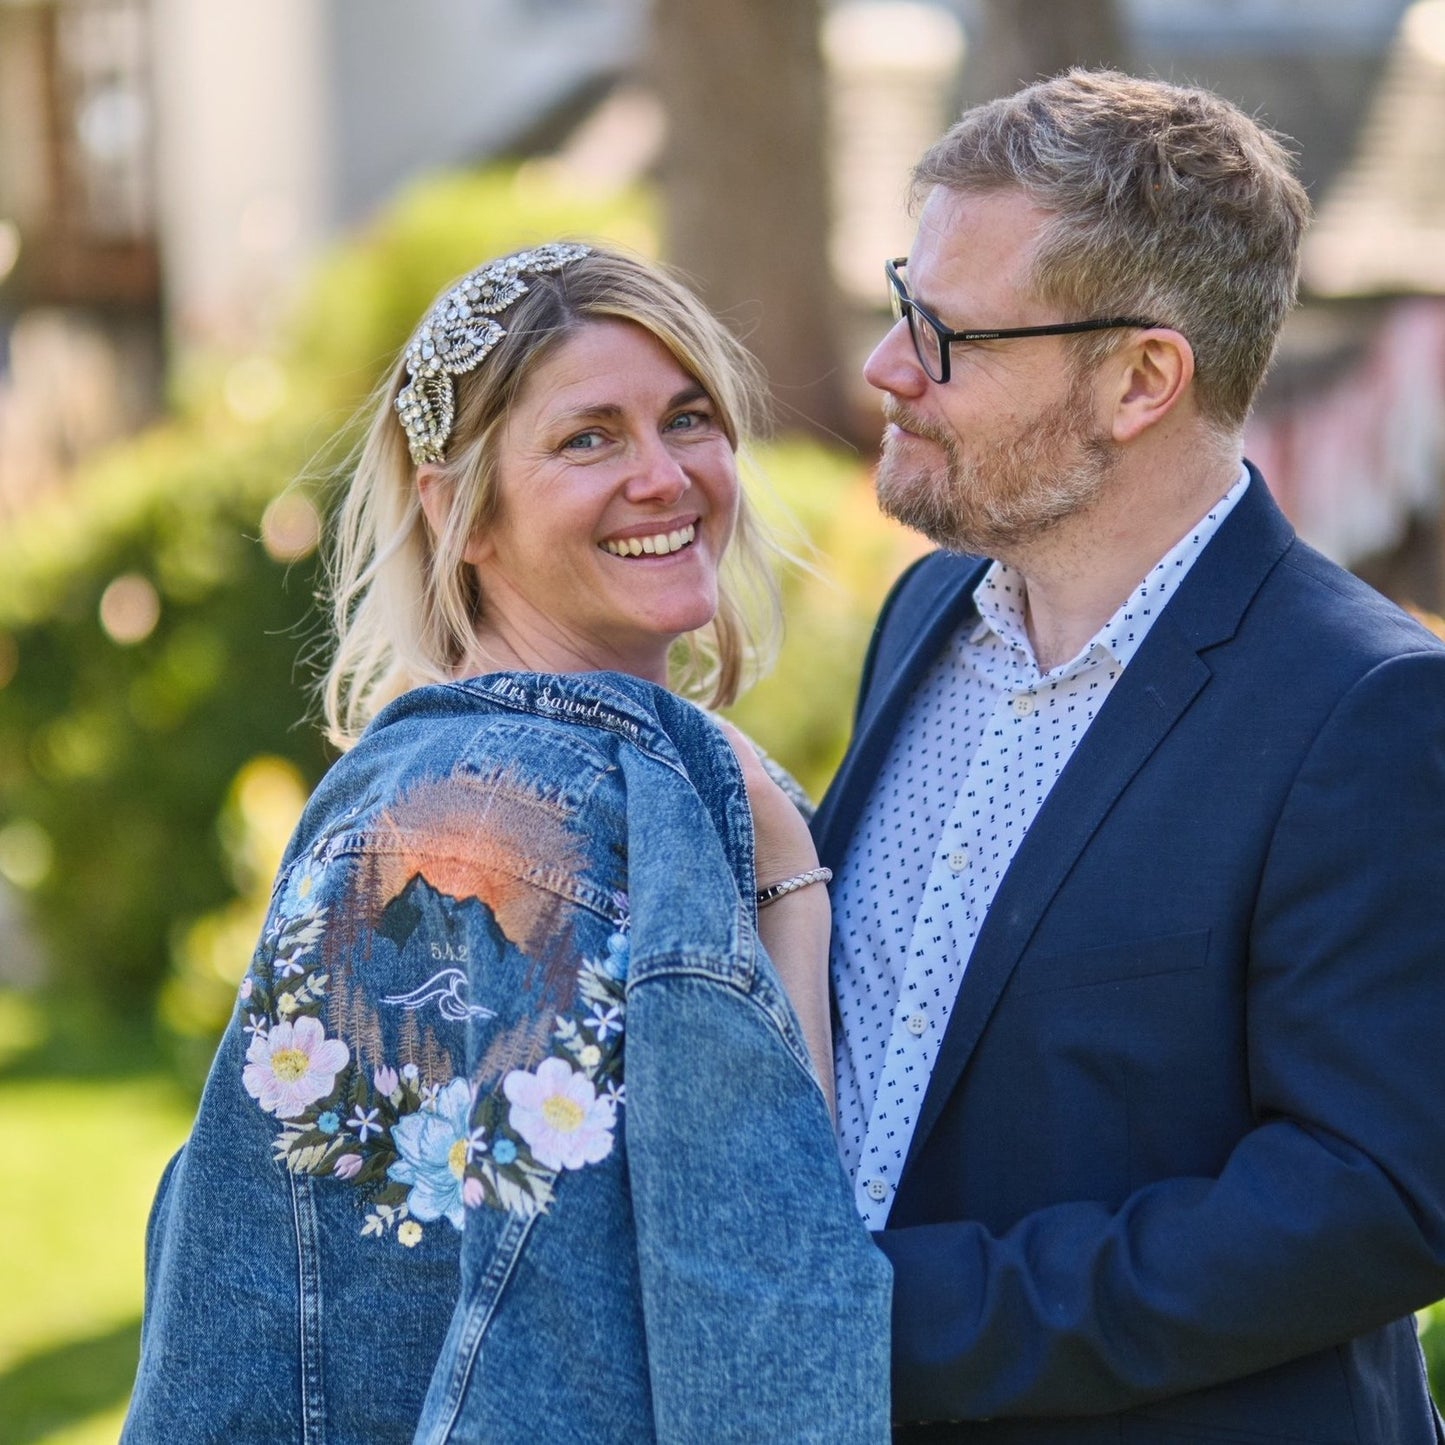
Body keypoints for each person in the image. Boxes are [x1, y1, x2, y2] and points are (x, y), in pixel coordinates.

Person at [124, 242, 891, 1444]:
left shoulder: (455, 780)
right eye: (587, 437)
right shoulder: (519, 820)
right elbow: (753, 1262)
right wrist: (790, 881)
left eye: (686, 418)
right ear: (458, 512)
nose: (664, 475)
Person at [815, 69, 1445, 1441]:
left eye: (947, 334)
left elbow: (1380, 1195)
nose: (886, 366)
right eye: (897, 296)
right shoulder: (925, 613)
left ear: (1141, 378)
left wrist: (878, 1316)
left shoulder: (1371, 711)